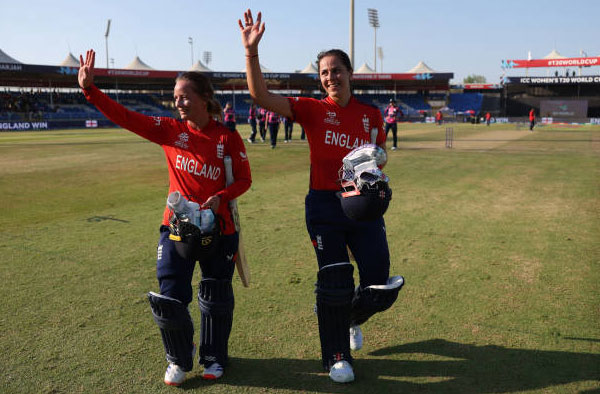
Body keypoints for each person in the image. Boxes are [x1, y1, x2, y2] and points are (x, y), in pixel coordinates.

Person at [239, 10, 404, 384]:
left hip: (362, 206)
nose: (331, 77)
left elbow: (380, 154)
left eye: (336, 70)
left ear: (349, 73)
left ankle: (350, 317)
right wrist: (251, 52)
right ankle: (336, 356)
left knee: (378, 281)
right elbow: (259, 95)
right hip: (325, 206)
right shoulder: (313, 110)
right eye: (324, 72)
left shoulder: (371, 115)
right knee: (335, 280)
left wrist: (378, 160)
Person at [78, 49, 252, 386]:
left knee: (216, 296)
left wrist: (222, 197)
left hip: (219, 229)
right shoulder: (169, 130)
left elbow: (244, 179)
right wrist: (90, 90)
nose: (179, 103)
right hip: (176, 228)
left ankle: (214, 357)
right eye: (175, 98)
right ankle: (178, 359)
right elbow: (125, 116)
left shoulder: (227, 137)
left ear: (204, 98)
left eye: (185, 97)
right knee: (171, 295)